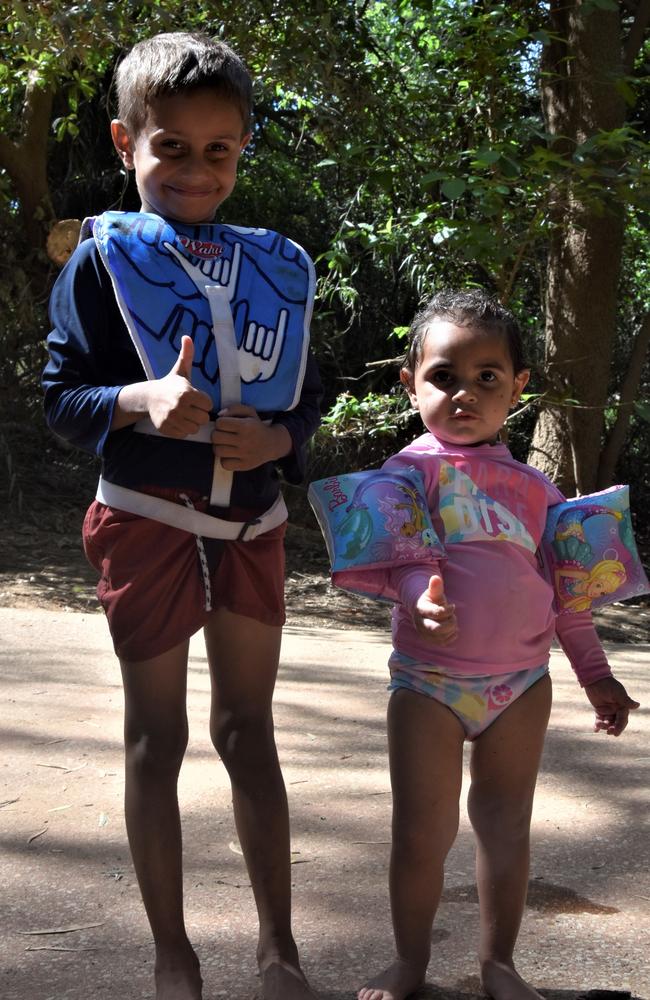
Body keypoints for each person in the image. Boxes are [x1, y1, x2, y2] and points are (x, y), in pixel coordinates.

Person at [43, 31, 322, 1000]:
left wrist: (279, 443)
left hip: (250, 528)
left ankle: (276, 949)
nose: (194, 169)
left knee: (249, 731)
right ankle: (173, 956)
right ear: (126, 143)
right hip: (146, 521)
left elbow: (304, 397)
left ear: (242, 149)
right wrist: (136, 399)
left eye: (218, 149)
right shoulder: (98, 263)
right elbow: (61, 397)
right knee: (153, 740)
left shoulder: (274, 269)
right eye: (170, 147)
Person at [356, 290, 639, 1000]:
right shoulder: (403, 475)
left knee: (507, 826)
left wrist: (597, 676)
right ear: (410, 382)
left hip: (522, 684)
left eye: (488, 376)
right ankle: (411, 961)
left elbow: (567, 599)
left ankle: (499, 964)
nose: (464, 393)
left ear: (518, 388)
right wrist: (422, 594)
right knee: (422, 833)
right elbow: (408, 555)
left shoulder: (538, 490)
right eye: (444, 375)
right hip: (428, 684)